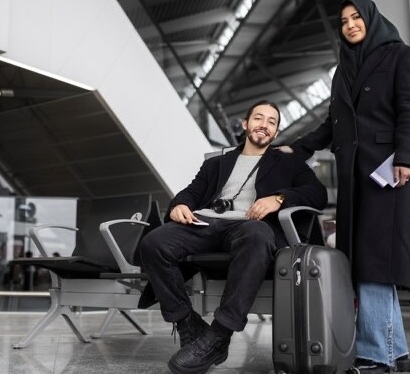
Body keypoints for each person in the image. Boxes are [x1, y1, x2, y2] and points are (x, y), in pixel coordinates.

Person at [280, 0, 410, 373]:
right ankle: (397, 354)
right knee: (361, 261)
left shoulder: (401, 56)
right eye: (343, 21)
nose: (350, 25)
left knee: (377, 260)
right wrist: (299, 146)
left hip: (389, 173)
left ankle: (376, 355)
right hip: (352, 174)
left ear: (371, 19)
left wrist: (408, 157)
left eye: (356, 17)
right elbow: (332, 124)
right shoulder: (342, 70)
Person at [138, 100, 327, 374]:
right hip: (205, 223)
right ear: (245, 124)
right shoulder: (217, 162)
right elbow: (192, 191)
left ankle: (220, 333)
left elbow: (318, 194)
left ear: (275, 133)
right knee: (154, 242)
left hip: (250, 226)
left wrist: (279, 197)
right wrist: (179, 205)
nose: (264, 125)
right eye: (258, 118)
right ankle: (187, 323)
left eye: (271, 122)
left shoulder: (289, 163)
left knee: (258, 236)